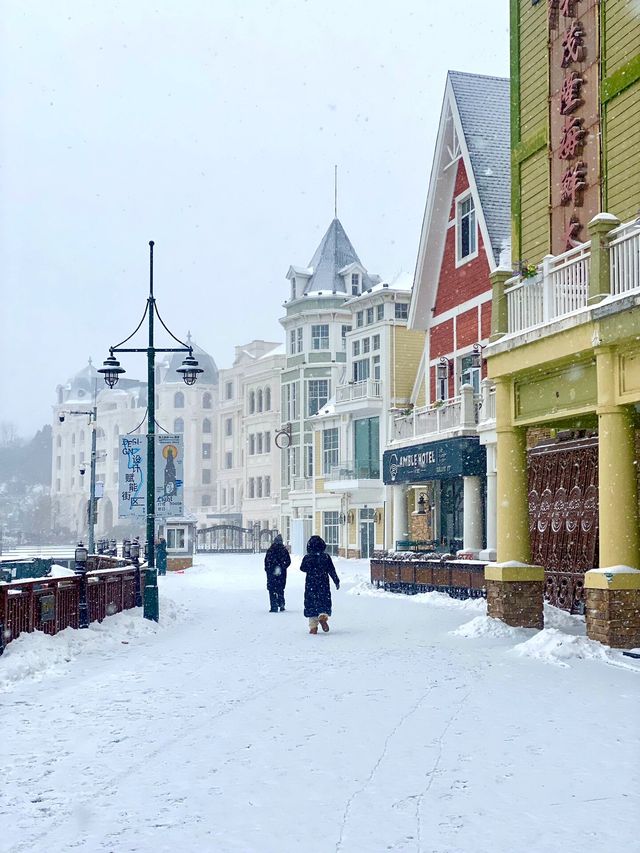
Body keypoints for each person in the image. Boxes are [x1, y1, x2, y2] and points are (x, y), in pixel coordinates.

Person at [300, 535, 340, 634]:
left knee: (311, 603)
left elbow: (302, 568)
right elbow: (331, 570)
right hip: (323, 583)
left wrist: (311, 566)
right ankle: (323, 616)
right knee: (323, 601)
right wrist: (336, 580)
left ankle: (313, 627)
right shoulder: (326, 557)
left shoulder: (307, 557)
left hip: (311, 584)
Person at [264, 534, 291, 612]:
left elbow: (266, 562)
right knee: (280, 588)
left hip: (271, 573)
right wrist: (283, 566)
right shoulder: (284, 551)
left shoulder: (270, 550)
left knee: (271, 589)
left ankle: (273, 606)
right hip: (281, 573)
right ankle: (281, 603)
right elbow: (288, 561)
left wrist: (268, 570)